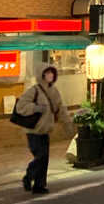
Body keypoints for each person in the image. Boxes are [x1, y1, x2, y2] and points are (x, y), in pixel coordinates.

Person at [14, 65, 73, 194]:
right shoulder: (34, 90)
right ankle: (29, 176)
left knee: (44, 158)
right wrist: (35, 108)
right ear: (42, 75)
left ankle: (39, 185)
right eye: (47, 73)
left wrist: (68, 125)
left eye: (52, 73)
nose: (50, 75)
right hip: (33, 131)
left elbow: (60, 109)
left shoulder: (54, 92)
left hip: (45, 131)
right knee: (40, 156)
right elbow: (20, 106)